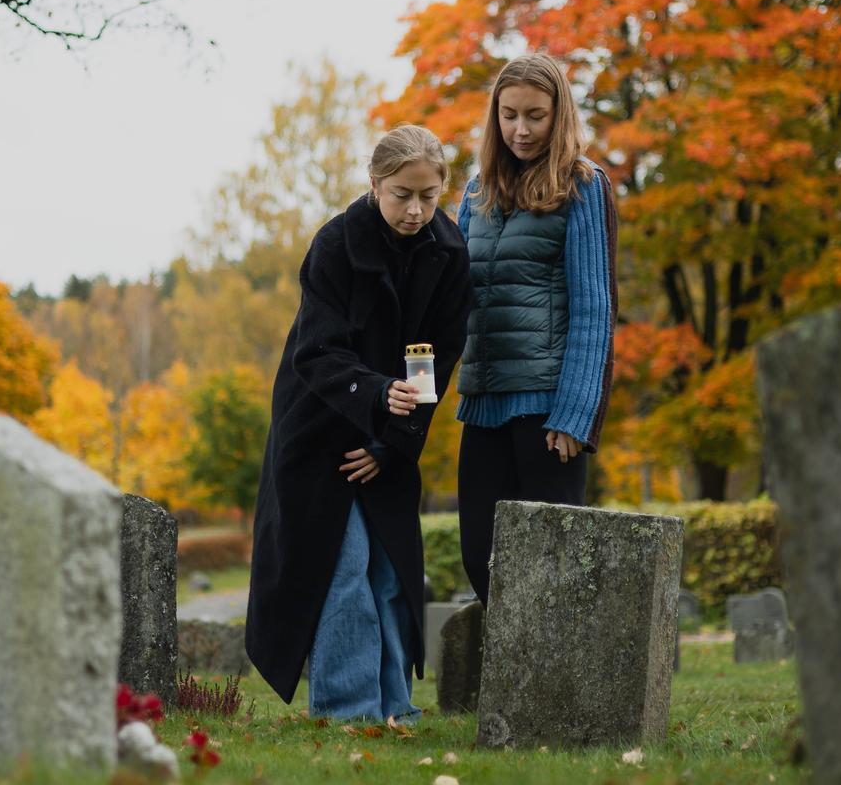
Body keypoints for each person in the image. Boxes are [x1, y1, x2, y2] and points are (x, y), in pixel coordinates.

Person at [245, 124, 472, 722]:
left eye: (429, 194)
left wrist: (392, 445)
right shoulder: (336, 244)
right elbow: (316, 352)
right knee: (340, 568)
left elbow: (438, 359)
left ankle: (395, 708)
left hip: (390, 433)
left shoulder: (449, 252)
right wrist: (376, 398)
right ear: (375, 185)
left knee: (390, 571)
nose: (417, 209)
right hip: (317, 429)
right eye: (402, 194)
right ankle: (349, 712)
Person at [455, 53, 618, 605]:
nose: (521, 129)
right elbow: (450, 296)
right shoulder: (475, 192)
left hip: (549, 413)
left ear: (559, 115)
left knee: (554, 569)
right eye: (509, 115)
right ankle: (512, 690)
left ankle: (559, 693)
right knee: (480, 558)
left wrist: (576, 414)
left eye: (535, 115)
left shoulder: (583, 186)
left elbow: (595, 308)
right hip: (483, 403)